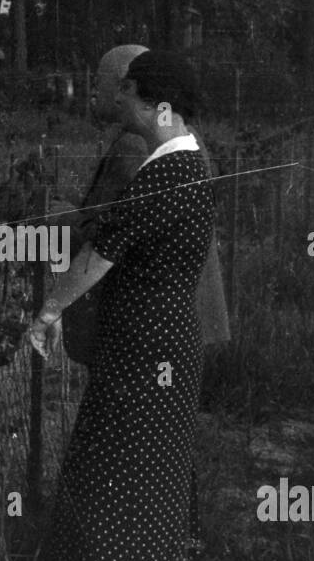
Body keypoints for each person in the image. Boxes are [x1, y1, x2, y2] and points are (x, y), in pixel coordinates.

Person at [29, 51, 214, 561]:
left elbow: (98, 257)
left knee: (105, 471)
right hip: (177, 339)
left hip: (139, 338)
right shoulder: (195, 163)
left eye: (126, 96)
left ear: (149, 100)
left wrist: (49, 311)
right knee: (164, 468)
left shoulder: (160, 176)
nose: (120, 108)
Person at [60, 44, 229, 366]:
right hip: (182, 323)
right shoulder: (182, 135)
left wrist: (56, 217)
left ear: (127, 85)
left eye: (101, 81)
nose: (93, 91)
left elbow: (104, 238)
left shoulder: (135, 145)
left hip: (143, 330)